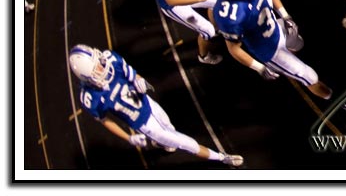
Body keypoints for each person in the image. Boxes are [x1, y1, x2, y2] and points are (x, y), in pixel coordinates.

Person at [68, 44, 243, 166]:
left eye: (100, 61)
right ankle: (222, 158)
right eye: (97, 68)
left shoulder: (111, 59)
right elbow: (104, 120)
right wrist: (128, 137)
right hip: (144, 124)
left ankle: (159, 144)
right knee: (186, 143)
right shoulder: (90, 97)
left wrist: (139, 80)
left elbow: (131, 74)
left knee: (169, 125)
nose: (102, 66)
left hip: (148, 104)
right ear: (85, 76)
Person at [213, 0, 332, 99]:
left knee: (299, 44)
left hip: (275, 26)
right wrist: (259, 67)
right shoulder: (230, 14)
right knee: (309, 76)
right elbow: (233, 49)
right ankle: (336, 101)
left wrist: (286, 16)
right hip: (269, 49)